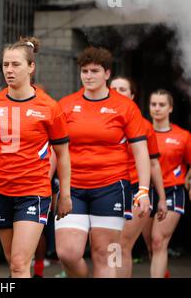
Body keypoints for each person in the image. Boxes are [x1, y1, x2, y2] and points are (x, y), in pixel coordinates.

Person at [55, 47, 150, 278]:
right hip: (72, 188)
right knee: (67, 253)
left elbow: (140, 152)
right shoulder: (65, 105)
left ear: (107, 74)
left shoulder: (126, 107)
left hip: (111, 187)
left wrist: (144, 190)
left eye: (95, 71)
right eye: (85, 71)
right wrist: (44, 184)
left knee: (105, 254)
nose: (88, 76)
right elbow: (55, 150)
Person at [0, 37, 72, 278]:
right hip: (0, 190)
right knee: (11, 260)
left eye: (15, 64)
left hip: (33, 192)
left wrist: (65, 194)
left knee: (18, 262)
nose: (9, 70)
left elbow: (63, 154)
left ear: (31, 67)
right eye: (5, 65)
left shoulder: (49, 106)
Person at [109, 77, 167, 278]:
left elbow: (153, 164)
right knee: (111, 245)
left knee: (122, 243)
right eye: (113, 88)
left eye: (122, 89)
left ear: (132, 96)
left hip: (135, 189)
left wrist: (161, 198)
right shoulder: (101, 120)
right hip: (108, 188)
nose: (117, 91)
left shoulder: (143, 125)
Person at [142, 89, 191, 278]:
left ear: (170, 108)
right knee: (150, 246)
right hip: (146, 191)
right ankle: (164, 273)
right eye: (153, 104)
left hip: (173, 191)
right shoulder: (141, 132)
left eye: (162, 104)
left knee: (158, 241)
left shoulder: (183, 136)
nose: (157, 108)